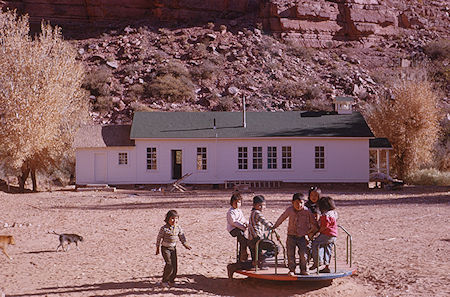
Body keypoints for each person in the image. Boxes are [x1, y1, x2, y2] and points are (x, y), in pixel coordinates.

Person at [273, 193, 319, 276]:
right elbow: (282, 217)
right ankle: (292, 269)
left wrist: (312, 232)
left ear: (304, 202)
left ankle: (304, 269)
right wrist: (275, 226)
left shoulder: (307, 211)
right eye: (297, 203)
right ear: (292, 202)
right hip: (291, 235)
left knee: (303, 254)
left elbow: (313, 222)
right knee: (290, 254)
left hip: (302, 236)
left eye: (301, 203)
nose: (299, 205)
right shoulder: (289, 210)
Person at [156, 210, 192, 287]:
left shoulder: (178, 227)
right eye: (172, 218)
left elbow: (181, 236)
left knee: (174, 265)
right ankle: (164, 280)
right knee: (169, 264)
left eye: (176, 218)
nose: (174, 220)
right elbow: (159, 238)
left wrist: (185, 244)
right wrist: (157, 248)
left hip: (173, 248)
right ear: (167, 219)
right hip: (165, 248)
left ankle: (171, 280)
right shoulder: (164, 228)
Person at [310, 196, 338, 273]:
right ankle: (326, 266)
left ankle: (317, 262)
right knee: (327, 249)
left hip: (327, 234)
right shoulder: (333, 213)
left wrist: (318, 231)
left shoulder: (326, 215)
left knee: (315, 244)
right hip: (334, 235)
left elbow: (325, 226)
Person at [248, 195, 274, 269]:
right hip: (256, 239)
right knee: (275, 248)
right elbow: (264, 222)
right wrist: (272, 227)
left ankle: (259, 261)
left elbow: (259, 226)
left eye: (263, 205)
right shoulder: (257, 213)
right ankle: (261, 259)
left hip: (252, 239)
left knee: (254, 262)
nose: (262, 207)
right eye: (260, 205)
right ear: (254, 205)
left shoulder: (253, 213)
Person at [226, 193, 249, 262]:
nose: (237, 204)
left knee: (243, 240)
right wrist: (242, 227)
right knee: (241, 236)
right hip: (233, 229)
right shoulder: (230, 212)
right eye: (235, 202)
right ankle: (242, 255)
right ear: (231, 203)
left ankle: (242, 253)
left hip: (240, 228)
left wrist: (247, 223)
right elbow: (233, 222)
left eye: (238, 202)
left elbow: (243, 219)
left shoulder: (239, 211)